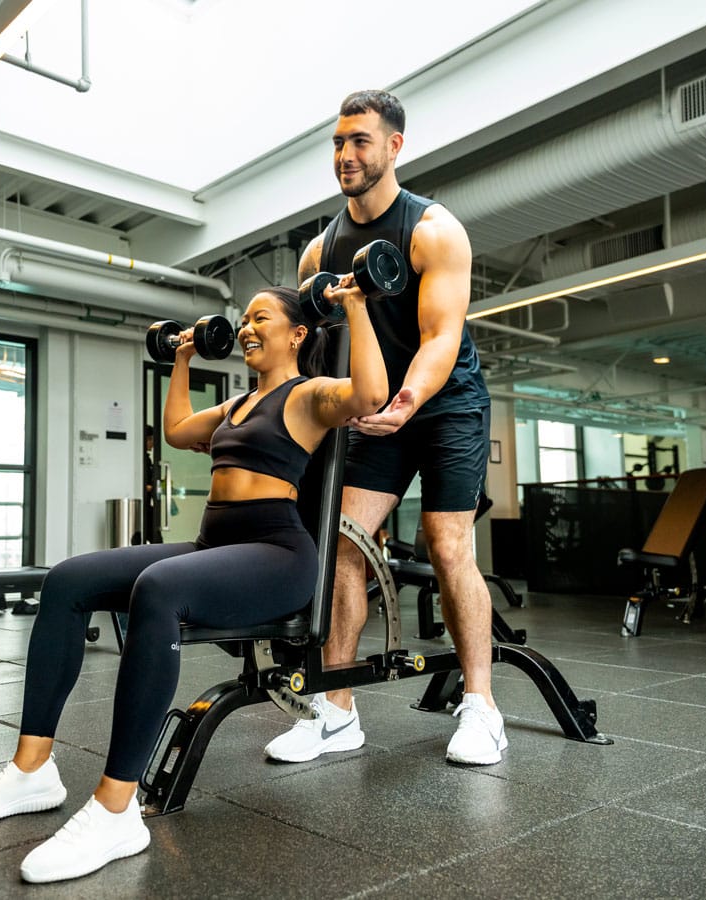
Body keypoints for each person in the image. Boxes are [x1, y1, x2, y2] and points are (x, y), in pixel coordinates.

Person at [0, 285, 386, 884]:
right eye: (243, 320)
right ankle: (32, 770)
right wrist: (181, 358)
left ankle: (117, 809)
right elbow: (176, 428)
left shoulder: (306, 396)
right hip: (217, 545)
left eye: (261, 318)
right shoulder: (234, 406)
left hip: (278, 555)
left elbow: (370, 393)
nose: (247, 328)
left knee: (159, 587)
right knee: (68, 580)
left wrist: (355, 304)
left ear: (298, 334)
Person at [264, 89, 506, 768]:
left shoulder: (432, 230)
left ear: (394, 146)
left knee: (447, 542)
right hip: (376, 410)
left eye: (360, 142)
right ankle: (336, 709)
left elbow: (441, 337)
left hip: (445, 400)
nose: (345, 155)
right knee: (344, 543)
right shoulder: (320, 252)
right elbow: (317, 349)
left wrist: (408, 400)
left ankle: (482, 706)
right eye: (338, 142)